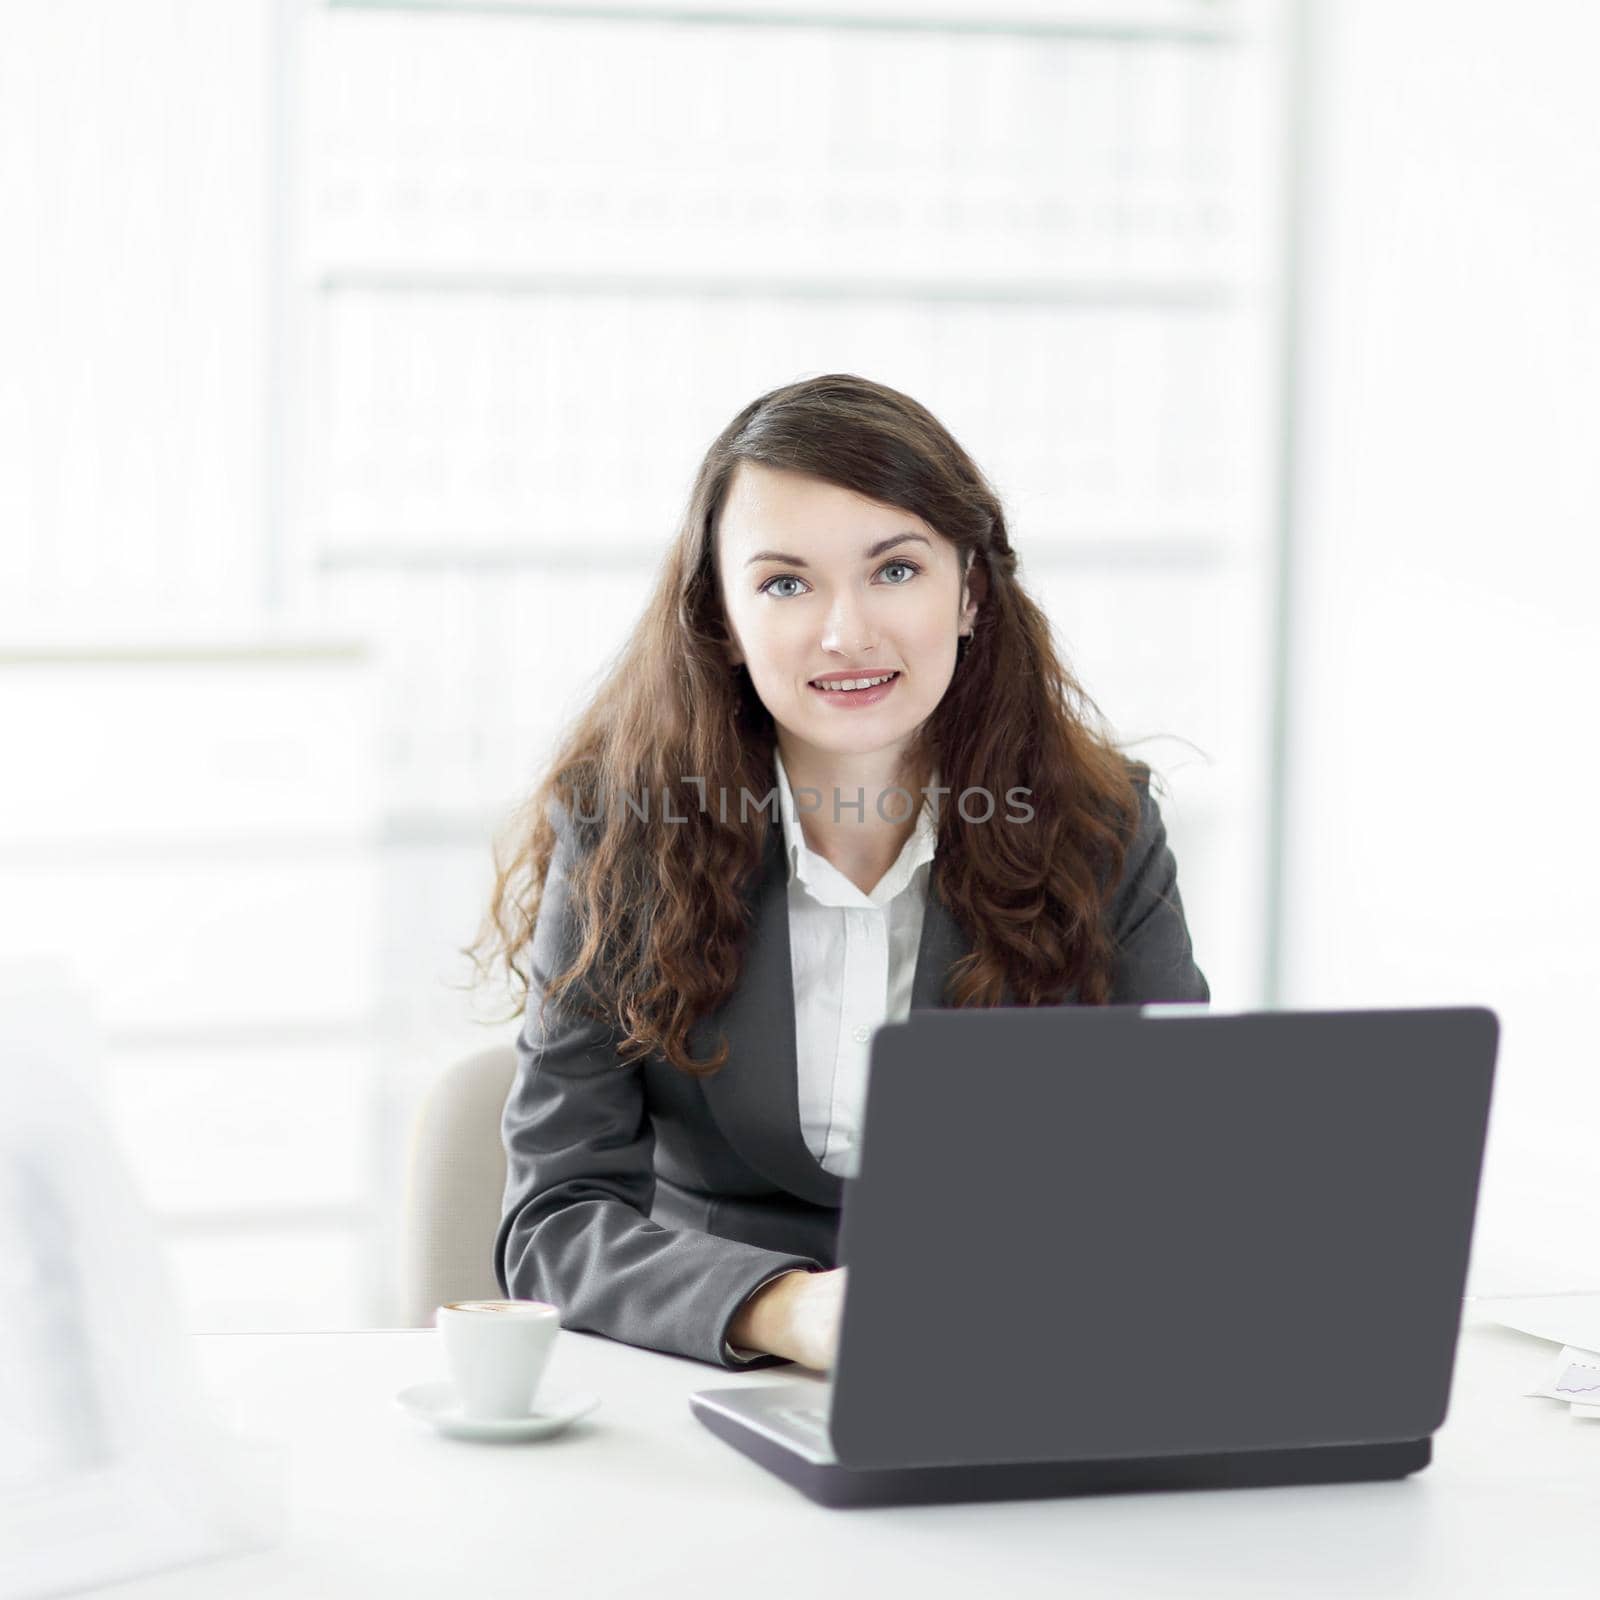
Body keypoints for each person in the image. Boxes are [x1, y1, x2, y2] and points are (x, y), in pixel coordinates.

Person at [469, 373, 1208, 1375]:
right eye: (785, 583)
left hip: (1011, 1364)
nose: (846, 633)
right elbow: (552, 1221)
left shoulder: (1101, 827)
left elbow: (1172, 1175)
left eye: (894, 570)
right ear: (723, 621)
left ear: (970, 591)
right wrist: (785, 1312)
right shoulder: (621, 831)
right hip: (701, 1373)